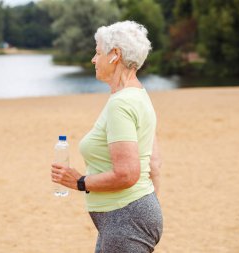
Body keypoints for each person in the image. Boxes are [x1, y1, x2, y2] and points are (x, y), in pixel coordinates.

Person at [51, 20, 163, 253]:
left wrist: (79, 181)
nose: (93, 59)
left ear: (115, 55)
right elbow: (154, 164)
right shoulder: (138, 95)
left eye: (98, 52)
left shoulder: (121, 104)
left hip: (126, 217)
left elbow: (127, 174)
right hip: (130, 215)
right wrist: (148, 206)